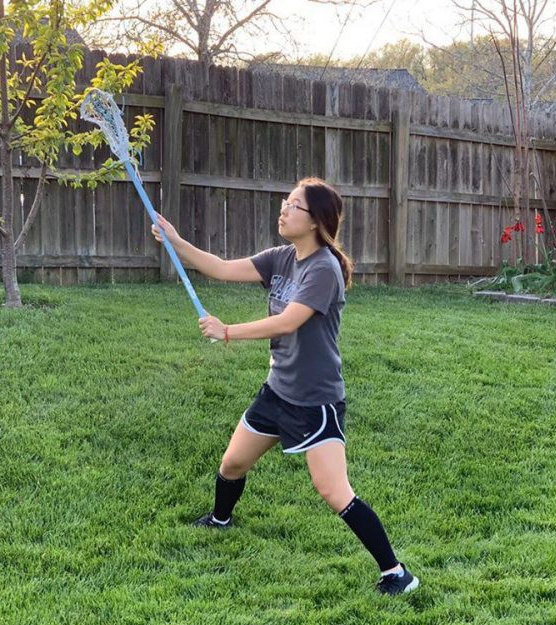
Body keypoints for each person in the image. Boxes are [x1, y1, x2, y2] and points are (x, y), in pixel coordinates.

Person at [151, 177, 419, 596]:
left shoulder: (323, 268)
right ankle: (221, 519)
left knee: (334, 491)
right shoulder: (282, 257)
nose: (284, 209)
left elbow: (289, 321)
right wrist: (175, 240)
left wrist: (227, 332)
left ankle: (396, 573)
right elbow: (220, 267)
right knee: (232, 464)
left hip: (315, 402)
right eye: (286, 202)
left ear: (316, 222)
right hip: (277, 391)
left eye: (294, 205)